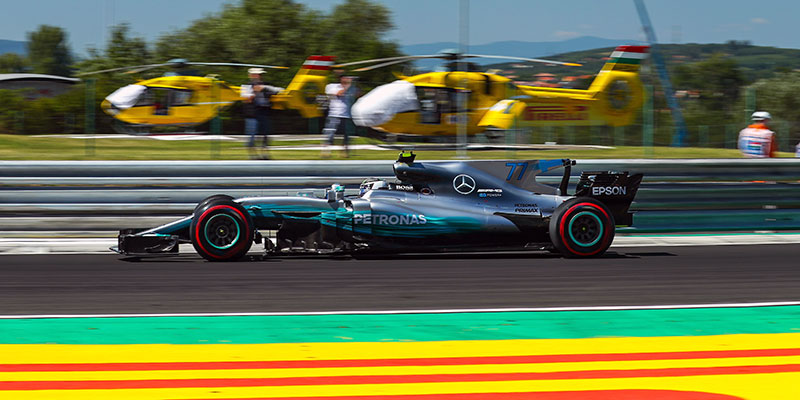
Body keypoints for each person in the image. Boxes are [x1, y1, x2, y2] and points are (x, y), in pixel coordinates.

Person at [241, 68, 283, 159]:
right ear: (250, 76)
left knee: (266, 134)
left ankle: (265, 154)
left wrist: (265, 88)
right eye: (254, 74)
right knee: (251, 134)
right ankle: (252, 155)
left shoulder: (266, 86)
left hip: (264, 112)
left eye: (258, 74)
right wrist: (254, 92)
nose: (256, 76)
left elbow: (280, 90)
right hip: (252, 114)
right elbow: (246, 99)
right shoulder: (246, 86)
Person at [322, 71, 358, 158]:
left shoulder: (351, 88)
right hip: (334, 114)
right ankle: (325, 151)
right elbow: (339, 94)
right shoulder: (332, 86)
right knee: (330, 134)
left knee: (347, 135)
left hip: (347, 115)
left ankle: (344, 152)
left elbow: (358, 94)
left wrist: (357, 84)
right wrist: (348, 85)